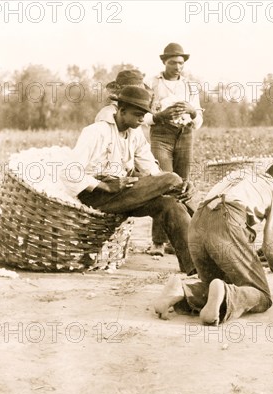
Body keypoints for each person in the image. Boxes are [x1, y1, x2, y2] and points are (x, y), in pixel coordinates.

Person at [60, 86, 195, 275]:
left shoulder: (135, 134)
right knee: (173, 178)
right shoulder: (96, 131)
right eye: (137, 114)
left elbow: (152, 170)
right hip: (97, 196)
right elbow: (69, 172)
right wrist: (104, 185)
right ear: (121, 111)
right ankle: (208, 221)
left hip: (124, 194)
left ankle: (194, 268)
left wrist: (174, 185)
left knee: (170, 204)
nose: (142, 119)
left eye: (144, 114)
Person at [152, 162, 273, 326]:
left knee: (212, 287)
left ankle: (181, 290)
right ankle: (225, 294)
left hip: (197, 222)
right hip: (226, 221)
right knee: (261, 295)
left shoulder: (242, 174)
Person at [146, 43, 204, 256]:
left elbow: (199, 118)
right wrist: (159, 116)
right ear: (164, 62)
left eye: (181, 63)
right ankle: (158, 242)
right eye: (173, 63)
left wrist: (193, 112)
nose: (177, 67)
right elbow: (142, 115)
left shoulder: (191, 86)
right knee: (163, 184)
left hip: (185, 135)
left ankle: (179, 240)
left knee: (182, 187)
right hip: (161, 135)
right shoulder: (152, 83)